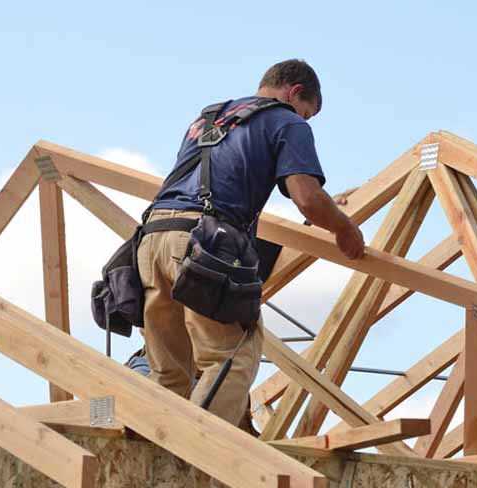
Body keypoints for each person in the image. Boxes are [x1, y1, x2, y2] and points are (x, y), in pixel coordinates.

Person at [137, 59, 365, 428]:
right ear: (294, 93)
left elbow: (221, 181)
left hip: (153, 239)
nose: (303, 121)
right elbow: (306, 196)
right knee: (233, 356)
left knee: (171, 371)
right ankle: (197, 451)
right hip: (203, 243)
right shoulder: (286, 121)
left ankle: (157, 452)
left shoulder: (209, 119)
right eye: (307, 113)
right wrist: (343, 229)